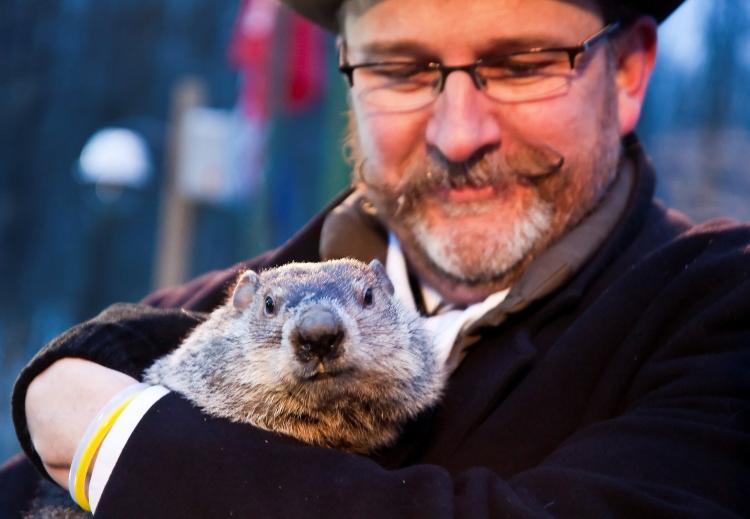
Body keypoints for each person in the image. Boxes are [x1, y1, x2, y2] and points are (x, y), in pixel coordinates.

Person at [3, 0, 750, 516]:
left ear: (628, 72)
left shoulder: (720, 310)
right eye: (401, 69)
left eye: (524, 62)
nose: (459, 135)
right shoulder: (175, 315)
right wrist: (92, 355)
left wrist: (117, 437)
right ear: (347, 71)